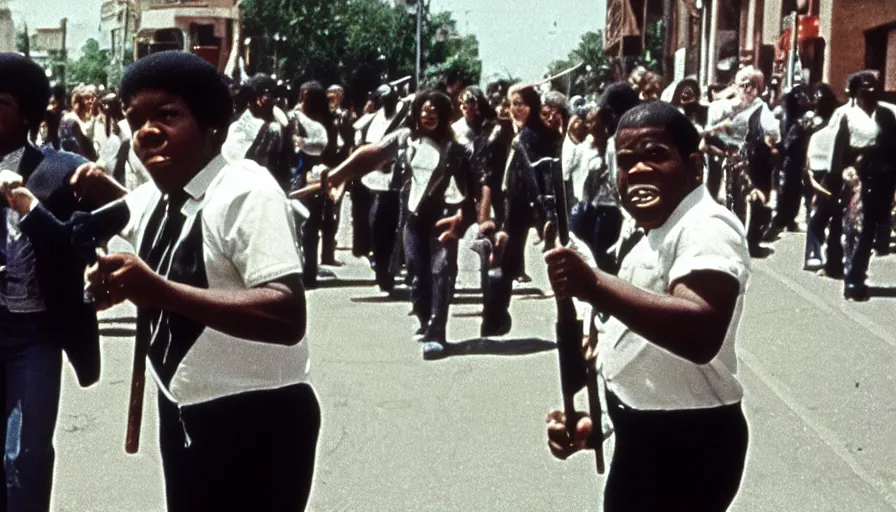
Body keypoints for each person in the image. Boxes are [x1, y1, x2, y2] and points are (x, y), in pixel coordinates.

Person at [73, 51, 320, 511]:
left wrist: (158, 291)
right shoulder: (155, 197)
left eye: (167, 115)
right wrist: (106, 274)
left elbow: (287, 314)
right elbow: (102, 222)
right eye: (134, 119)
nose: (146, 131)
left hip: (257, 418)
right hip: (184, 410)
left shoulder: (246, 190)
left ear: (214, 127)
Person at [545, 102, 750, 511]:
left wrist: (594, 285)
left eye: (656, 155)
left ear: (694, 167)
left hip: (686, 448)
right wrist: (601, 425)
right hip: (647, 435)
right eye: (626, 161)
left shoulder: (707, 226)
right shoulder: (659, 228)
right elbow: (644, 347)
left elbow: (700, 331)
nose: (638, 170)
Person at [301, 89, 475, 359]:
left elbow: (471, 193)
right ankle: (425, 318)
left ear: (444, 115)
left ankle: (437, 332)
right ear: (416, 113)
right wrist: (335, 176)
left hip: (443, 217)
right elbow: (371, 154)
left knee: (441, 271)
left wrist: (460, 223)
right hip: (414, 218)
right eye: (424, 111)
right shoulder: (405, 139)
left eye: (435, 111)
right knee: (418, 274)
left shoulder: (456, 148)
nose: (429, 116)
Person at [0, 53, 102, 512]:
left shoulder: (60, 170)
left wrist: (31, 211)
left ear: (27, 112)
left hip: (34, 335)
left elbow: (83, 240)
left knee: (24, 457)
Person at [482, 85, 563, 336]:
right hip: (511, 202)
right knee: (504, 257)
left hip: (531, 205)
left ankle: (496, 316)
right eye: (511, 104)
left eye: (520, 104)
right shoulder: (508, 133)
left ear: (532, 105)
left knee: (534, 256)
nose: (514, 109)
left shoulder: (539, 136)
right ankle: (495, 317)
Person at [827, 71, 896, 301]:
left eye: (873, 89)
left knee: (868, 234)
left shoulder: (887, 115)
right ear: (855, 92)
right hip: (854, 180)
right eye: (863, 89)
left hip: (881, 182)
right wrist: (836, 177)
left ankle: (857, 274)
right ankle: (853, 279)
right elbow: (836, 150)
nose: (868, 94)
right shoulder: (846, 115)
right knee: (855, 230)